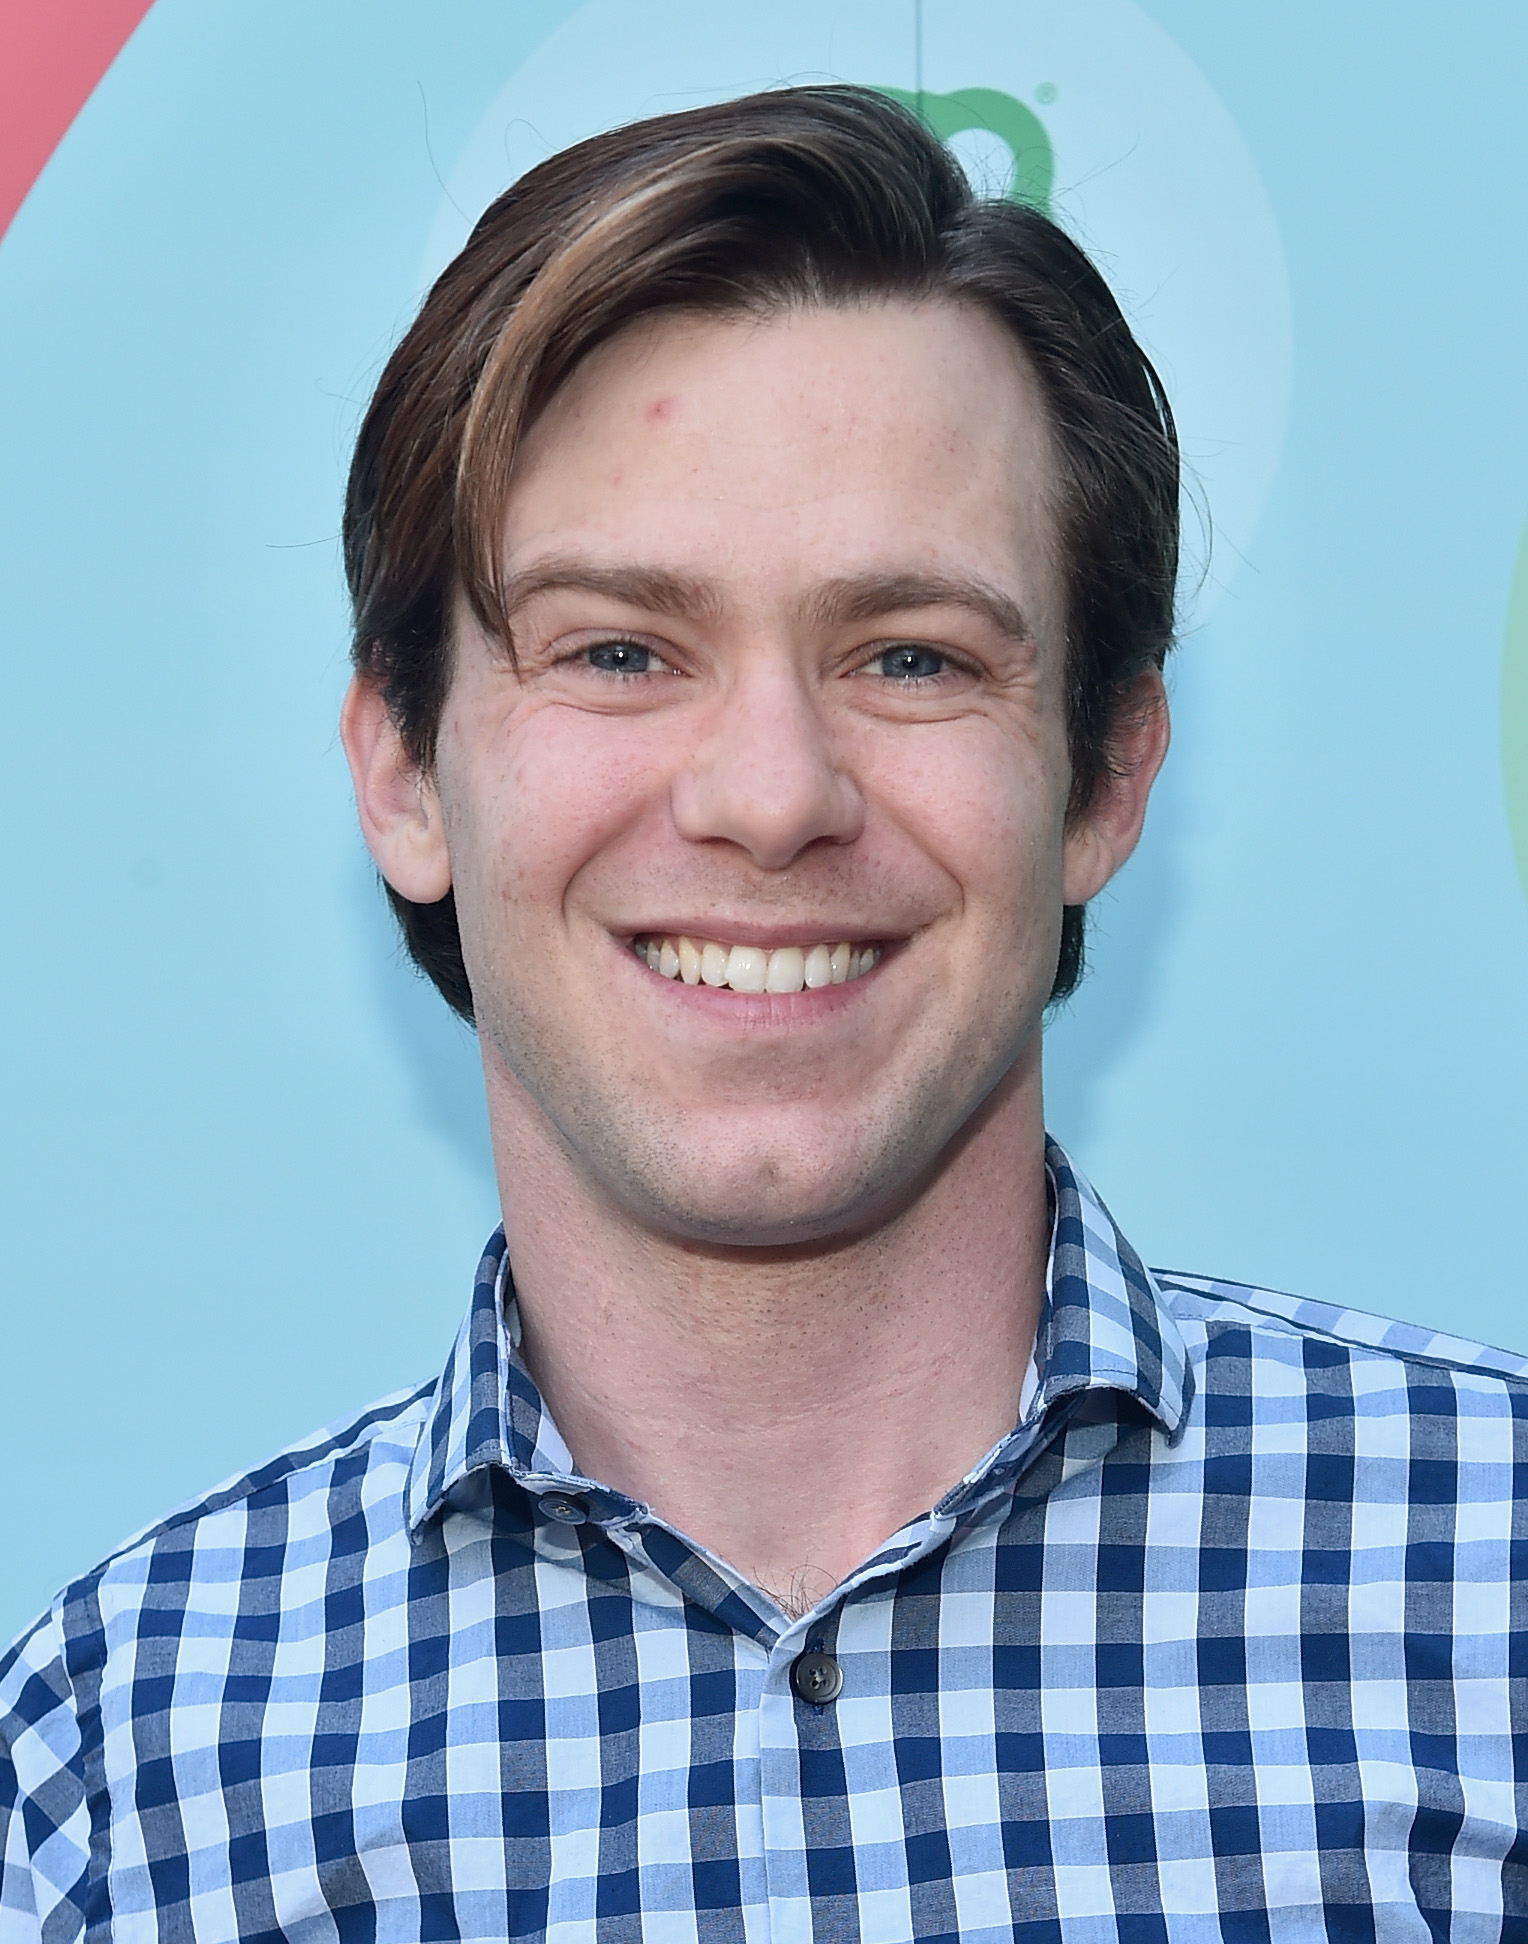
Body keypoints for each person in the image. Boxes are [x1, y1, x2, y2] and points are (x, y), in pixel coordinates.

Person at [3, 85, 1525, 1943]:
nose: (770, 791)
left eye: (910, 656)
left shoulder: (1496, 1600)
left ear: (1107, 779)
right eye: (622, 652)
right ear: (403, 773)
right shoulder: (129, 1773)